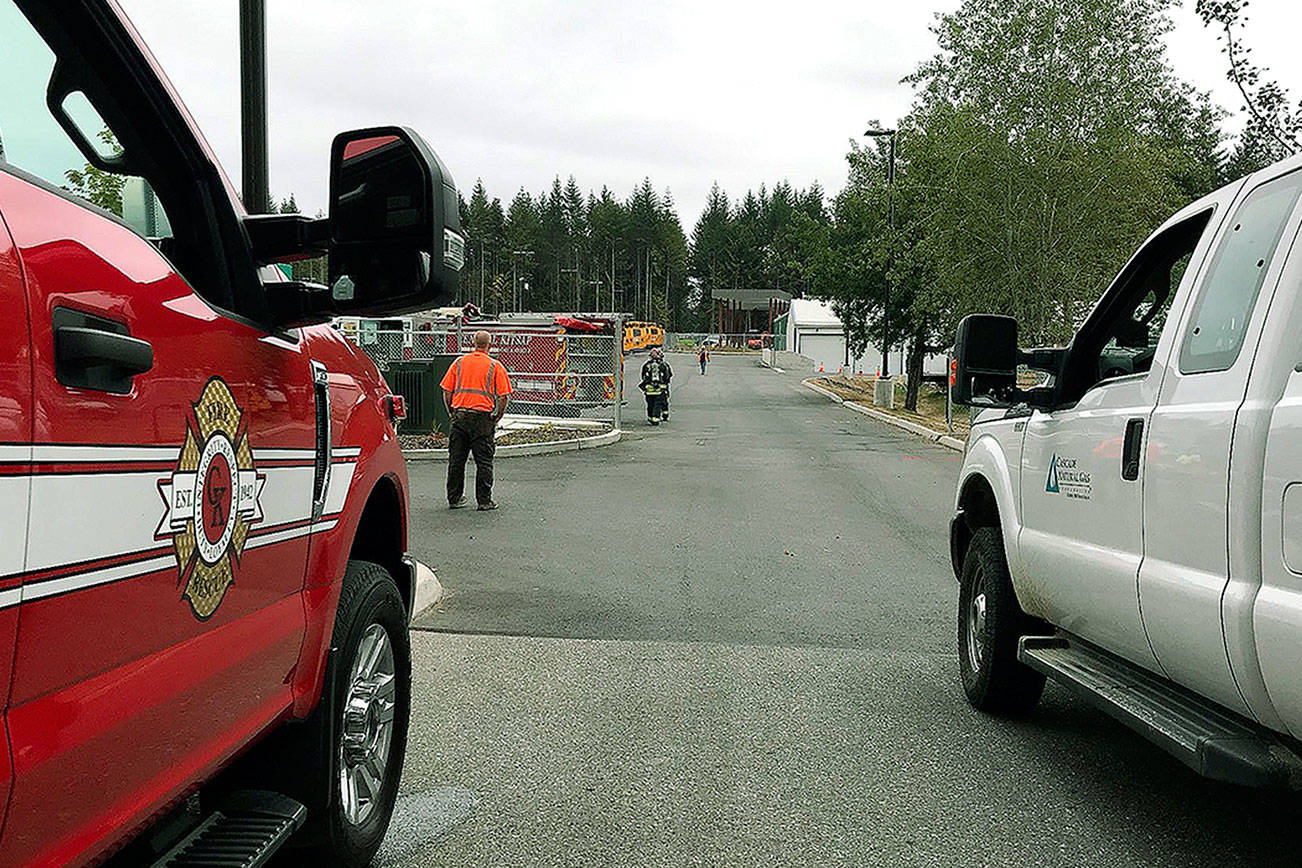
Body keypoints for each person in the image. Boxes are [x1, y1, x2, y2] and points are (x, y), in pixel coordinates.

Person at [440, 330, 513, 510]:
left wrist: (451, 411)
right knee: (484, 461)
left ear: (473, 342)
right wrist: (498, 415)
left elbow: (447, 391)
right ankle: (484, 501)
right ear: (490, 344)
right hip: (482, 420)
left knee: (456, 460)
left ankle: (454, 498)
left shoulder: (458, 363)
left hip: (460, 417)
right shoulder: (495, 366)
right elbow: (504, 396)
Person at [639, 347, 672, 425]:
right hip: (660, 390)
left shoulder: (646, 365)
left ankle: (650, 417)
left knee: (650, 404)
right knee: (658, 404)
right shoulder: (664, 365)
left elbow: (643, 376)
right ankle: (656, 419)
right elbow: (668, 376)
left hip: (648, 390)